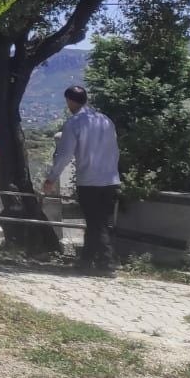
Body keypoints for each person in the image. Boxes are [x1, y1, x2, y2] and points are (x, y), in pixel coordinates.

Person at [42, 85, 121, 276]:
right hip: (110, 179)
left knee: (96, 222)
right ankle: (86, 261)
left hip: (89, 180)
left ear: (70, 101)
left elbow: (64, 155)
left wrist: (51, 178)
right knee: (99, 221)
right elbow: (115, 149)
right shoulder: (105, 120)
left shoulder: (74, 123)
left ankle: (106, 263)